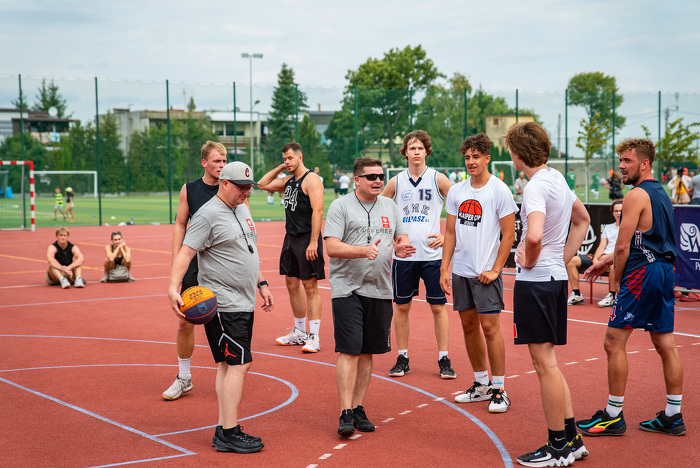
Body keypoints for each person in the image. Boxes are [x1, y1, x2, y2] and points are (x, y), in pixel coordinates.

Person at [578, 138, 685, 437]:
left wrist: (617, 281)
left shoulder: (635, 195)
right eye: (621, 160)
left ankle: (613, 415)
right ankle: (673, 415)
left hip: (642, 274)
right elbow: (645, 241)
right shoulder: (661, 194)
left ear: (644, 163)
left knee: (613, 343)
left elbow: (624, 246)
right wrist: (605, 261)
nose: (621, 166)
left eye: (627, 161)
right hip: (663, 270)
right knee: (665, 343)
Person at [168, 161, 273, 453]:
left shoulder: (242, 208)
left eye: (249, 188)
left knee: (228, 364)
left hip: (244, 300)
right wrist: (172, 287)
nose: (246, 192)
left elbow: (249, 249)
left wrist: (262, 283)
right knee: (240, 363)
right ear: (224, 183)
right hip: (225, 304)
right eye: (241, 187)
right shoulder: (207, 215)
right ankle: (228, 432)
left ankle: (224, 428)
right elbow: (186, 252)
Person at [506, 122, 591, 466]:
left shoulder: (535, 187)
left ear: (517, 154)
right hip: (553, 279)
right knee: (550, 364)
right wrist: (563, 258)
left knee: (544, 365)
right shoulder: (556, 177)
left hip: (537, 281)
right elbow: (583, 219)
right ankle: (571, 439)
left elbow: (535, 235)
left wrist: (530, 258)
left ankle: (557, 446)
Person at [324, 157, 415, 437]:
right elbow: (332, 247)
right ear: (357, 180)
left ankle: (359, 408)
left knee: (367, 352)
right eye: (371, 176)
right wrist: (364, 251)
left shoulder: (390, 206)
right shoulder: (340, 206)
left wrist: (401, 248)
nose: (378, 180)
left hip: (380, 289)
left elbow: (400, 238)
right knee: (350, 349)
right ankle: (345, 411)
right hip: (347, 289)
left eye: (380, 176)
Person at [441, 133, 517, 412]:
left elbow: (509, 235)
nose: (471, 161)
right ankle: (481, 384)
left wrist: (496, 269)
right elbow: (450, 233)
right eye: (467, 157)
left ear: (487, 158)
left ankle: (499, 389)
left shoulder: (500, 190)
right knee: (469, 327)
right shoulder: (456, 191)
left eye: (476, 157)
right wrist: (444, 268)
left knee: (490, 329)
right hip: (461, 272)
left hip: (486, 273)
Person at [381, 130, 454, 379]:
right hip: (404, 257)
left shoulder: (437, 178)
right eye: (412, 148)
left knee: (438, 308)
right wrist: (392, 238)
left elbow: (463, 204)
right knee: (402, 307)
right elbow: (380, 209)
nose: (416, 152)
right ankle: (402, 357)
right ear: (405, 152)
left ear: (427, 151)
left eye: (420, 148)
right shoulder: (396, 181)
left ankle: (444, 358)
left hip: (432, 256)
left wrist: (447, 236)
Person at [162, 141, 227, 401]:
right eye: (217, 161)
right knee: (185, 320)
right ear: (204, 162)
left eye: (224, 161)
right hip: (194, 263)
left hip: (222, 264)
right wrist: (176, 262)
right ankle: (184, 377)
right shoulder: (189, 189)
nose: (221, 165)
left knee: (226, 319)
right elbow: (180, 225)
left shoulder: (230, 187)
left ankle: (230, 372)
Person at [257, 142, 326, 353]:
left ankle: (314, 337)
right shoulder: (288, 181)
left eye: (290, 158)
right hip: (290, 238)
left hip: (307, 238)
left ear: (300, 157)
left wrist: (314, 241)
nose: (287, 162)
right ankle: (299, 331)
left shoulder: (311, 179)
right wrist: (280, 167)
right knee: (291, 283)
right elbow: (262, 184)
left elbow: (318, 211)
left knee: (310, 286)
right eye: (284, 159)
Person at [566, 200, 622, 307]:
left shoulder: (629, 228)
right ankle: (576, 294)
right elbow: (602, 246)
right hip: (603, 257)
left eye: (621, 211)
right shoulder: (608, 227)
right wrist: (596, 259)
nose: (618, 213)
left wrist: (607, 259)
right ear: (613, 212)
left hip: (616, 258)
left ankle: (612, 296)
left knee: (613, 264)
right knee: (571, 261)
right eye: (616, 211)